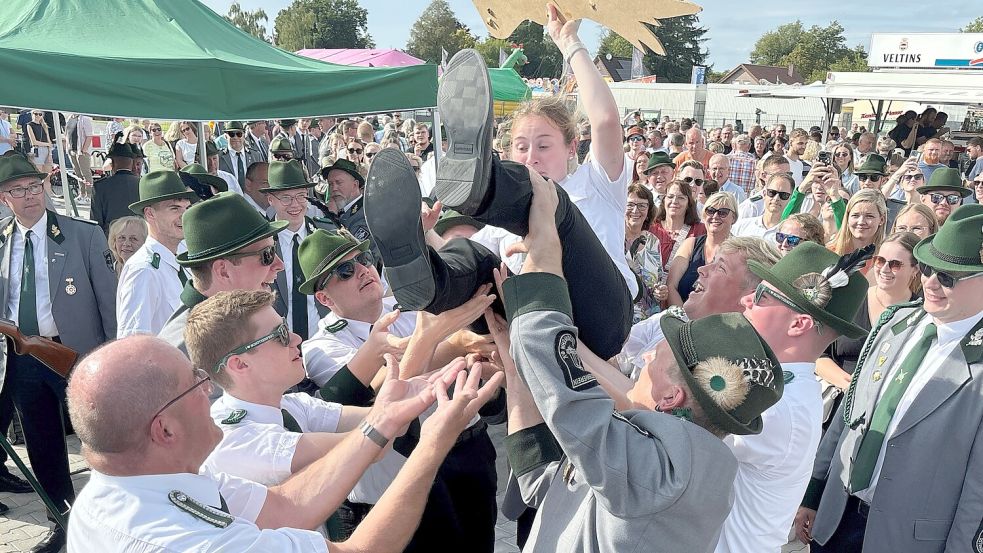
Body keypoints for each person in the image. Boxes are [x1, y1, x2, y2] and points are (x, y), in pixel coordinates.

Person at [501, 159, 785, 553]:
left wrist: (544, 261)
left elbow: (575, 402)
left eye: (656, 362)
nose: (645, 363)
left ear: (671, 399)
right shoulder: (669, 456)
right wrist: (518, 369)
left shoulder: (661, 473)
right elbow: (551, 483)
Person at [66, 329, 500, 552]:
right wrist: (432, 445)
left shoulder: (139, 483)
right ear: (164, 429)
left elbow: (285, 507)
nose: (208, 389)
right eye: (195, 383)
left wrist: (382, 422)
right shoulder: (188, 541)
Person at [795, 204, 983, 553]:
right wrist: (815, 491)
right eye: (928, 268)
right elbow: (850, 415)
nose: (929, 282)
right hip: (838, 517)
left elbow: (978, 491)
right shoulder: (895, 323)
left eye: (948, 277)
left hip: (908, 539)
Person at [714, 229, 872, 553]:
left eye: (761, 296)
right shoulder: (779, 385)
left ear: (798, 324)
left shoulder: (778, 403)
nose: (747, 300)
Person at [0, 153, 117, 552]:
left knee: (101, 437)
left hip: (75, 353)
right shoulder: (2, 240)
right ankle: (62, 520)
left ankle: (114, 515)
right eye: (19, 190)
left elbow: (109, 305)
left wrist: (112, 357)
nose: (31, 196)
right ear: (4, 198)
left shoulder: (82, 234)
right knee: (42, 442)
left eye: (36, 186)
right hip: (22, 356)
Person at [157, 191, 286, 354]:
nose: (279, 265)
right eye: (267, 254)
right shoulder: (182, 355)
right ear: (223, 271)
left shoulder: (237, 316)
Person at [816, 232, 921, 399]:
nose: (885, 269)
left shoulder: (922, 315)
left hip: (885, 406)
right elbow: (818, 353)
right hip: (837, 399)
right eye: (880, 261)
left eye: (895, 264)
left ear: (915, 269)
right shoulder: (851, 300)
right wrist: (848, 384)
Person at [116, 171, 197, 337]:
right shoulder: (143, 270)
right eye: (174, 208)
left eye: (187, 208)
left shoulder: (183, 253)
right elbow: (134, 343)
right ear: (150, 214)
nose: (184, 215)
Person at [263, 160, 335, 340]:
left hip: (326, 338)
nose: (295, 204)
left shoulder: (327, 236)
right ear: (271, 199)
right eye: (286, 198)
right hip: (278, 342)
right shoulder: (260, 246)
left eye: (301, 196)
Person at [666, 191, 736, 307]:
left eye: (723, 212)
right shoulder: (690, 244)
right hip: (681, 318)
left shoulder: (738, 252)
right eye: (710, 211)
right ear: (704, 215)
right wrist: (683, 320)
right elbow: (671, 285)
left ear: (733, 218)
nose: (715, 216)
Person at [624, 183, 665, 322]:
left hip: (647, 322)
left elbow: (656, 282)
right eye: (630, 205)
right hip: (619, 319)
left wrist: (661, 291)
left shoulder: (653, 242)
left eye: (642, 205)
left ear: (649, 210)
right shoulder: (611, 239)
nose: (635, 210)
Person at [828, 189, 887, 270]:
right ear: (847, 218)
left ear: (881, 220)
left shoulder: (888, 258)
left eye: (869, 216)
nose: (861, 222)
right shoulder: (830, 252)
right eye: (855, 215)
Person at [92, 142, 141, 235]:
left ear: (113, 164)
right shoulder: (142, 184)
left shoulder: (100, 186)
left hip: (111, 238)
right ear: (131, 163)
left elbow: (96, 221)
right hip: (139, 237)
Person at [321, 158, 371, 243]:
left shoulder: (366, 213)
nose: (334, 188)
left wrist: (331, 219)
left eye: (339, 182)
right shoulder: (343, 211)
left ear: (355, 185)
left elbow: (350, 250)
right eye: (330, 184)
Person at [732, 173, 793, 241]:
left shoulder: (790, 234)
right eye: (772, 192)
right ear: (764, 194)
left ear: (790, 199)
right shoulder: (742, 226)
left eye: (784, 195)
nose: (776, 198)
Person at [218, 121, 256, 191]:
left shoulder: (255, 155)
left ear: (244, 135)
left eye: (239, 134)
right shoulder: (219, 157)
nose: (235, 137)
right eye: (231, 134)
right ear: (226, 136)